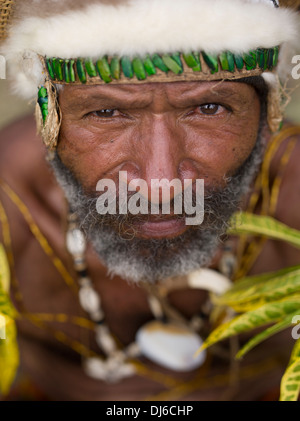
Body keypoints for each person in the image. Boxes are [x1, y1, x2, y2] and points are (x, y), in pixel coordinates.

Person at [0, 0, 300, 401]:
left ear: (268, 114)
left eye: (209, 108)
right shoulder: (10, 206)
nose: (160, 186)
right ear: (48, 118)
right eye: (106, 111)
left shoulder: (292, 201)